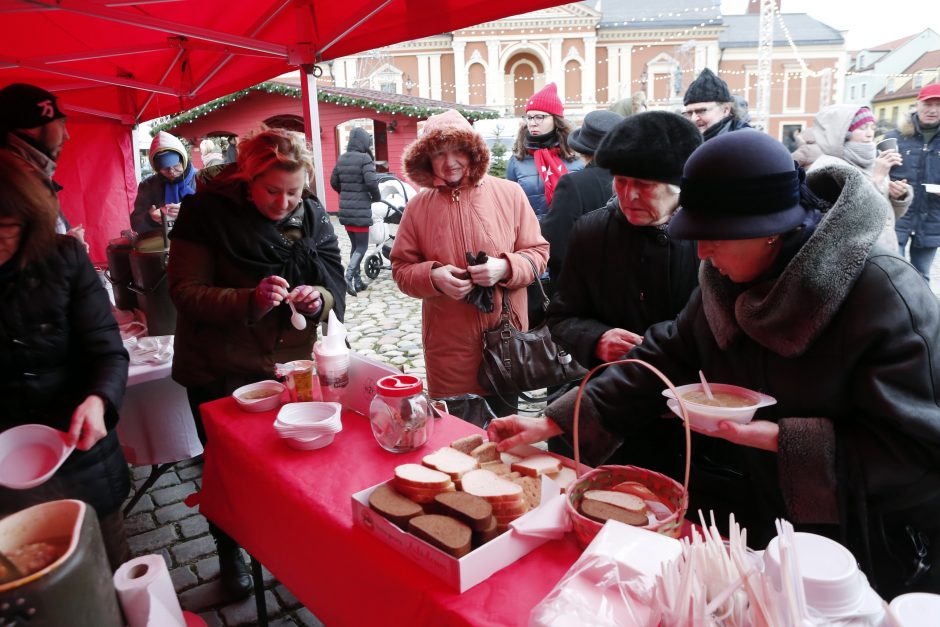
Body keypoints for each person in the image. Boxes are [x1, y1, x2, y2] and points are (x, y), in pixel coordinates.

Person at [489, 130, 940, 597]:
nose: (701, 253)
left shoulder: (884, 297)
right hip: (764, 516)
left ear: (771, 228)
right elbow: (661, 357)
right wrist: (552, 421)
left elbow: (919, 451)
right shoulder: (724, 284)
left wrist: (786, 440)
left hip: (863, 547)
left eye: (713, 238)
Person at [167, 128, 346, 598]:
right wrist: (250, 299)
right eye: (272, 190)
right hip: (219, 368)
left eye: (294, 190)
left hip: (287, 369)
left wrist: (317, 298)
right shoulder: (206, 213)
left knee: (289, 466)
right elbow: (184, 293)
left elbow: (334, 282)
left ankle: (290, 551)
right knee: (227, 474)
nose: (284, 202)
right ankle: (232, 563)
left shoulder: (310, 212)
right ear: (248, 176)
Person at [544, 112, 702, 467]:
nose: (629, 195)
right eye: (620, 181)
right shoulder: (591, 232)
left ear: (677, 185)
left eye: (644, 185)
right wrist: (596, 338)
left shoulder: (707, 238)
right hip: (609, 412)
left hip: (691, 423)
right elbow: (561, 315)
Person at [0, 151, 131, 570]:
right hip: (6, 468)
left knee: (108, 570)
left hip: (79, 448)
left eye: (4, 229)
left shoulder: (64, 258)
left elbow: (107, 348)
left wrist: (98, 400)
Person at [391, 109, 548, 418]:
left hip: (507, 344)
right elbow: (401, 270)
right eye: (439, 153)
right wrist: (434, 276)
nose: (449, 162)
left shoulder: (510, 193)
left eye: (458, 150)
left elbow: (538, 254)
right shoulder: (417, 207)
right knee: (457, 444)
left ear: (472, 151)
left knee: (504, 442)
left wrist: (505, 268)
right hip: (449, 354)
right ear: (427, 158)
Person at [793, 104, 912, 249]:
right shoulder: (828, 168)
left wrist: (898, 196)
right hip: (855, 255)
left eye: (872, 127)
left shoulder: (873, 162)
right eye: (862, 128)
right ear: (843, 133)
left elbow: (887, 217)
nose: (869, 134)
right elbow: (844, 222)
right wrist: (876, 180)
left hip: (884, 250)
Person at [540, 109, 622, 287]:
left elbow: (554, 245)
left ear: (583, 150)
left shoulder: (573, 184)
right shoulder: (636, 182)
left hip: (580, 290)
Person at [0, 82, 87, 250]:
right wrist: (70, 249)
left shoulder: (33, 182)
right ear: (32, 127)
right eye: (61, 123)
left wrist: (69, 244)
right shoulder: (10, 186)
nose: (67, 135)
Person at [505, 82, 584, 219]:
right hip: (532, 236)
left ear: (556, 120)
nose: (533, 123)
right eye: (529, 117)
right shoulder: (518, 159)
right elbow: (509, 205)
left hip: (571, 234)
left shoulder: (574, 156)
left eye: (539, 117)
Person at [887, 83, 940, 282]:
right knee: (893, 276)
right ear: (917, 105)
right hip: (899, 216)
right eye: (928, 104)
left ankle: (921, 314)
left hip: (932, 219)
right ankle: (895, 313)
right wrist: (890, 186)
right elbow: (878, 173)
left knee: (922, 276)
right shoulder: (895, 137)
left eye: (938, 104)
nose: (933, 110)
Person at [330, 127, 381, 296]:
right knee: (362, 246)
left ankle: (358, 281)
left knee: (355, 246)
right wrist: (376, 198)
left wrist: (345, 194)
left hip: (346, 210)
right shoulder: (364, 158)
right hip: (360, 211)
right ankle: (349, 276)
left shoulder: (342, 158)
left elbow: (334, 182)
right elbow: (372, 183)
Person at [130, 131, 197, 236]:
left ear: (183, 159)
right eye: (165, 168)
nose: (172, 172)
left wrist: (189, 213)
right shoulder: (148, 186)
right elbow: (135, 222)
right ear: (156, 168)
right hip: (162, 244)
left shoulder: (202, 179)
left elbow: (217, 217)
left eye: (176, 166)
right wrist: (150, 218)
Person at [681, 68, 751, 140]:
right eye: (689, 113)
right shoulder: (682, 142)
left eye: (701, 111)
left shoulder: (746, 142)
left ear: (725, 110)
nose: (693, 119)